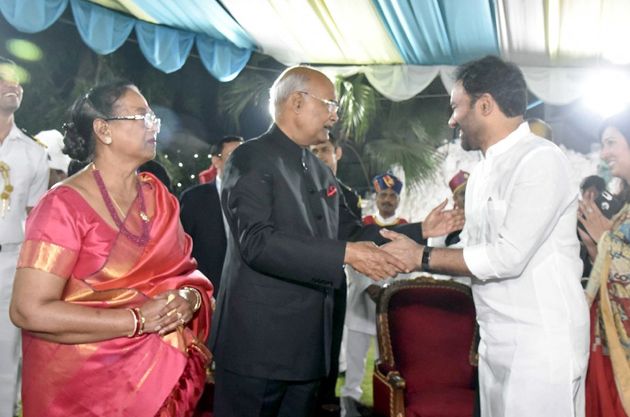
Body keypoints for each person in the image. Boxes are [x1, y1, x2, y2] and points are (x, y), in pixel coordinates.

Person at [210, 66, 463, 417]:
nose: (334, 114)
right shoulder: (251, 158)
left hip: (309, 348)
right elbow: (257, 243)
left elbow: (351, 232)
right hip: (258, 347)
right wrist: (346, 253)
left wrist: (421, 230)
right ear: (297, 102)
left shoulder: (317, 169)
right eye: (329, 103)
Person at [380, 55, 589, 417]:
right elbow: (473, 251)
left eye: (456, 107)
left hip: (541, 344)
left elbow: (506, 257)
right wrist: (417, 248)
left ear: (486, 104)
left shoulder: (541, 160)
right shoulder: (480, 175)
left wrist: (422, 258)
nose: (451, 119)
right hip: (494, 340)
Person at [9, 80, 213, 417]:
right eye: (141, 117)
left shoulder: (158, 197)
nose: (154, 126)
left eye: (154, 119)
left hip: (155, 379)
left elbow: (187, 273)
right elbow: (28, 310)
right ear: (103, 129)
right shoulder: (63, 206)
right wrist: (134, 319)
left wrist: (189, 299)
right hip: (80, 388)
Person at [0, 57, 48, 417]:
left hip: (10, 263)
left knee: (6, 353)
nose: (12, 85)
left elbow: (35, 220)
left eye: (17, 81)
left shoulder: (34, 152)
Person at [341, 172, 409, 416]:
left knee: (388, 362)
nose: (388, 199)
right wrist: (367, 287)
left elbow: (408, 266)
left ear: (398, 200)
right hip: (361, 302)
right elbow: (351, 259)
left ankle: (386, 407)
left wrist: (389, 292)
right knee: (355, 360)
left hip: (389, 306)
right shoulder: (364, 225)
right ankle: (348, 408)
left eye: (392, 195)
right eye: (384, 194)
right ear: (376, 197)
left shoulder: (405, 227)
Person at [582, 109, 630, 417]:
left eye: (611, 142)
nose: (604, 152)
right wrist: (594, 244)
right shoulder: (624, 206)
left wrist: (605, 241)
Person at [309, 132, 361, 415]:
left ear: (337, 153)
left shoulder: (349, 197)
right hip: (304, 280)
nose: (320, 155)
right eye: (314, 150)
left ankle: (328, 395)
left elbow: (353, 236)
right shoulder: (299, 189)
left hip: (336, 279)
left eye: (325, 149)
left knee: (333, 338)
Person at [180, 135, 243, 291]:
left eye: (245, 156)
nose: (241, 162)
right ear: (216, 161)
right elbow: (182, 245)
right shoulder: (194, 198)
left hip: (249, 286)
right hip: (210, 285)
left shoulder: (259, 195)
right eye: (233, 156)